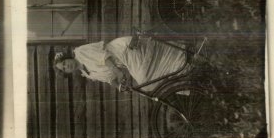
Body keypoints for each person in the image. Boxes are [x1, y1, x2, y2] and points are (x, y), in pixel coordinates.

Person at [55, 36, 190, 91]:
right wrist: (119, 86)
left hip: (123, 51)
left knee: (145, 79)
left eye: (65, 63)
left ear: (67, 58)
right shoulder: (86, 73)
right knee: (147, 87)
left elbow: (105, 57)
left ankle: (183, 62)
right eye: (65, 68)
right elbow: (109, 79)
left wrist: (119, 73)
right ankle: (185, 78)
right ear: (68, 73)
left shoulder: (81, 52)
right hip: (125, 62)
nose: (67, 66)